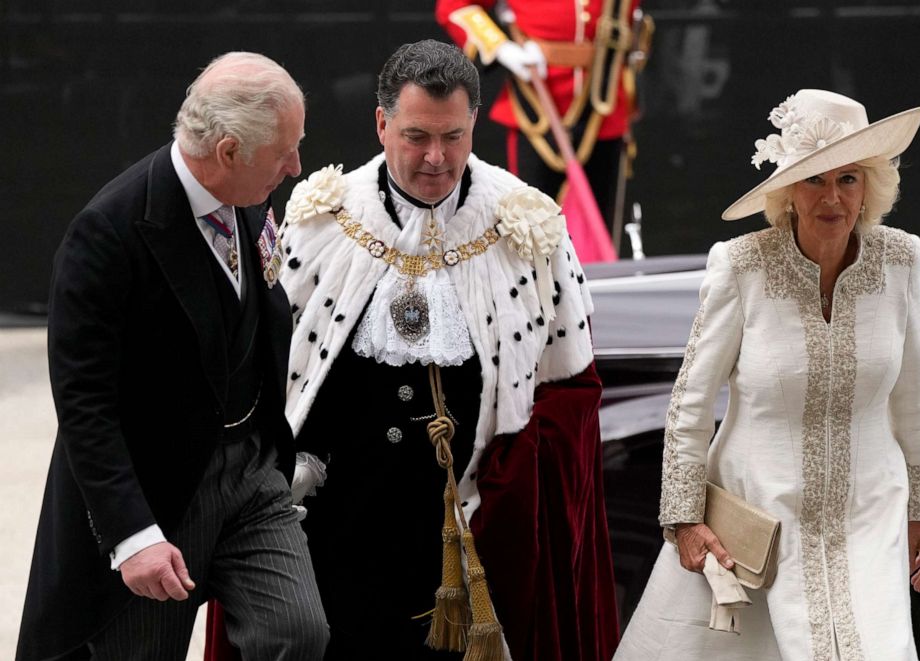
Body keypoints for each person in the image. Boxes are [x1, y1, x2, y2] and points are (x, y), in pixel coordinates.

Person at [240, 39, 617, 661]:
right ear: (382, 122)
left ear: (474, 125)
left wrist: (513, 484)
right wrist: (289, 466)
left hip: (474, 533)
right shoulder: (319, 218)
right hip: (338, 530)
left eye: (454, 136)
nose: (436, 159)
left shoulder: (530, 225)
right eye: (416, 136)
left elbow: (571, 389)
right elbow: (266, 373)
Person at [16, 52, 329, 660]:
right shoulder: (108, 232)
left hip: (251, 475)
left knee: (296, 632)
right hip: (156, 490)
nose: (296, 167)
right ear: (230, 150)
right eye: (285, 152)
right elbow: (84, 406)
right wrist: (131, 536)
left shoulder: (249, 194)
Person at [614, 89, 920, 660]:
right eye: (814, 179)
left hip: (870, 515)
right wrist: (685, 519)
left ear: (869, 185)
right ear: (788, 190)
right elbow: (690, 402)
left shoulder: (901, 260)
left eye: (848, 178)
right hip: (756, 524)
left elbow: (913, 399)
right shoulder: (741, 266)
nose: (832, 197)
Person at [435, 0, 650, 229]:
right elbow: (454, 5)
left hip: (604, 104)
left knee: (600, 229)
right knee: (531, 230)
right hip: (536, 105)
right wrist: (500, 48)